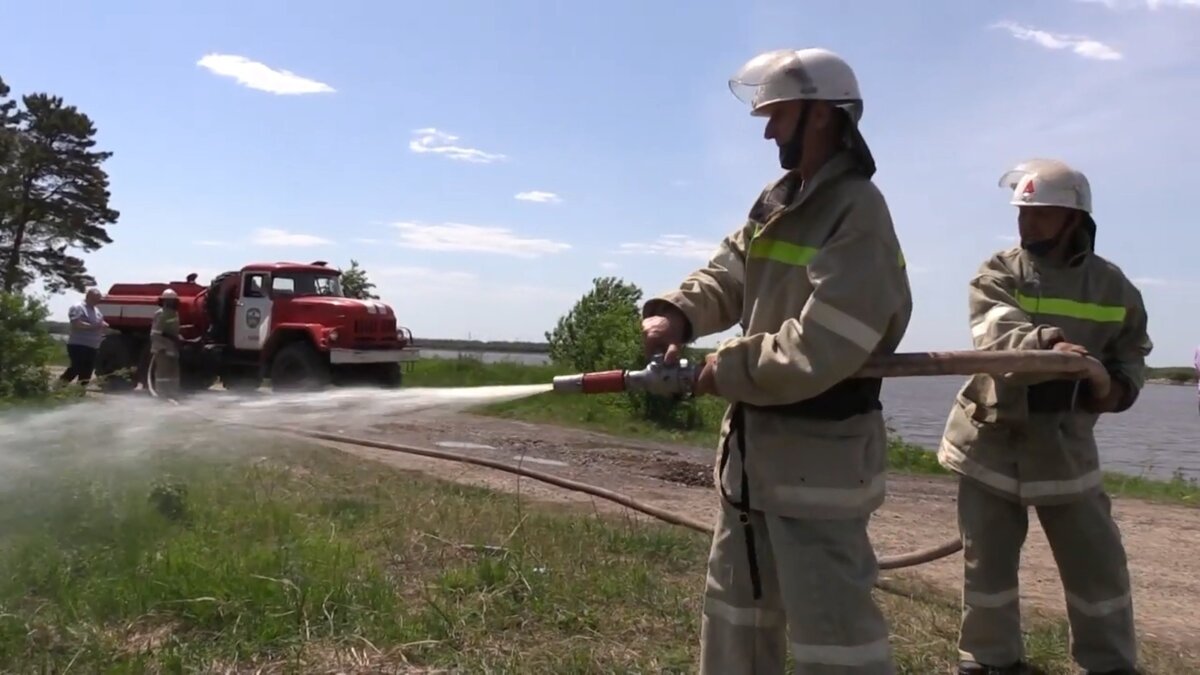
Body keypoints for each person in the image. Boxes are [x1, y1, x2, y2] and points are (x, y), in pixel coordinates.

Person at [642, 47, 912, 675]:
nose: (767, 129)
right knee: (735, 614)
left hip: (820, 464)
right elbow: (729, 271)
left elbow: (824, 344)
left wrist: (721, 370)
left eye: (779, 114)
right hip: (754, 461)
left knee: (834, 635)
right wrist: (676, 312)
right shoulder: (782, 199)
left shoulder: (858, 214)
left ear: (821, 116)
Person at [937, 158, 1153, 675]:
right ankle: (990, 664)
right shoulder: (999, 272)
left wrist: (1114, 386)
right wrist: (1051, 348)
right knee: (986, 566)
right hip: (990, 439)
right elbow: (994, 332)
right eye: (1022, 214)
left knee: (1096, 564)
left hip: (1064, 442)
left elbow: (1132, 355)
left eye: (1040, 214)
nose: (1026, 224)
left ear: (1074, 219)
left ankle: (1109, 665)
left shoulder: (1113, 288)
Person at [59, 287, 108, 387]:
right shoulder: (78, 307)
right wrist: (94, 326)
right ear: (88, 297)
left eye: (99, 299)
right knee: (76, 367)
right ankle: (59, 386)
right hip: (78, 344)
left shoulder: (97, 311)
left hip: (92, 346)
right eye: (96, 298)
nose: (98, 301)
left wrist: (103, 324)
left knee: (87, 371)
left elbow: (99, 322)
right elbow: (76, 323)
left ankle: (80, 393)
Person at [150, 288, 183, 399]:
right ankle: (162, 394)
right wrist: (170, 341)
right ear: (163, 301)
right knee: (162, 373)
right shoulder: (160, 314)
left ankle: (172, 394)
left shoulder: (174, 313)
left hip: (172, 348)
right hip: (162, 348)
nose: (171, 303)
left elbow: (173, 329)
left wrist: (178, 337)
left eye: (173, 301)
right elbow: (155, 333)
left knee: (173, 373)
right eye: (169, 301)